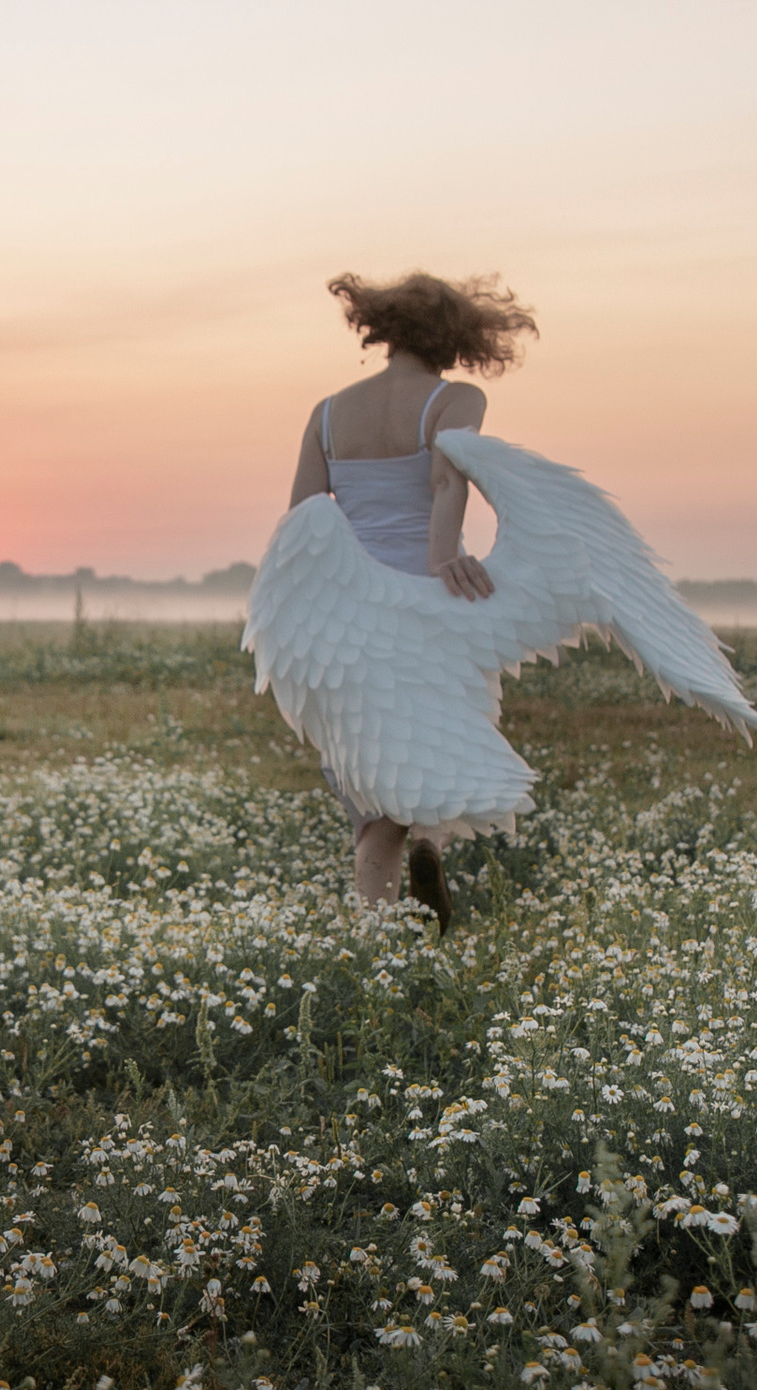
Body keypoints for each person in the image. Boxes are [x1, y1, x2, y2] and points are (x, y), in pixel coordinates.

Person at [285, 271, 538, 926]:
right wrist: (439, 564)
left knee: (371, 797)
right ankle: (430, 842)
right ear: (458, 337)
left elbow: (304, 520)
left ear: (383, 328)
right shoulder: (454, 399)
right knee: (441, 743)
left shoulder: (328, 413)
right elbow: (445, 479)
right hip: (423, 604)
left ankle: (375, 951)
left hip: (347, 617)